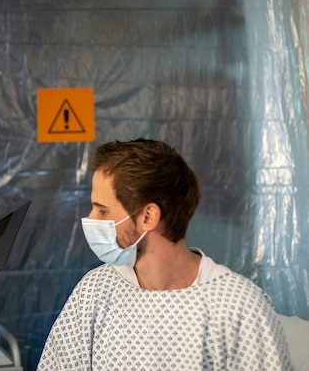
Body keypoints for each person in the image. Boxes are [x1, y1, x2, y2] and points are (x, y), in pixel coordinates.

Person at [38, 139, 292, 370]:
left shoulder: (238, 306)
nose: (89, 220)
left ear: (148, 216)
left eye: (102, 211)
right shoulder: (95, 291)